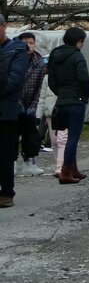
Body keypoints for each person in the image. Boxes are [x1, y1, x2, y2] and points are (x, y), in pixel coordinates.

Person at [47, 27, 89, 185]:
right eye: (82, 41)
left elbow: (51, 80)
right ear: (78, 41)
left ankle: (73, 168)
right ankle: (66, 171)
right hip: (76, 100)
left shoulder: (55, 55)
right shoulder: (77, 56)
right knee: (73, 137)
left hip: (61, 101)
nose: (83, 44)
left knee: (66, 135)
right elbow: (84, 78)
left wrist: (60, 93)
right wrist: (86, 94)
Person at [0, 13, 32, 208]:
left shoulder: (16, 50)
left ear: (4, 26)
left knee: (5, 154)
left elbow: (14, 81)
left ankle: (6, 192)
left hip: (7, 111)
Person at [15, 32, 44, 177]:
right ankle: (12, 162)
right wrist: (18, 104)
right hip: (13, 104)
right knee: (12, 135)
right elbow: (12, 83)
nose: (28, 46)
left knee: (31, 135)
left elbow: (39, 86)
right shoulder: (13, 59)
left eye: (31, 43)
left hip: (30, 103)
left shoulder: (39, 61)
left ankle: (30, 162)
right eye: (25, 43)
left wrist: (33, 105)